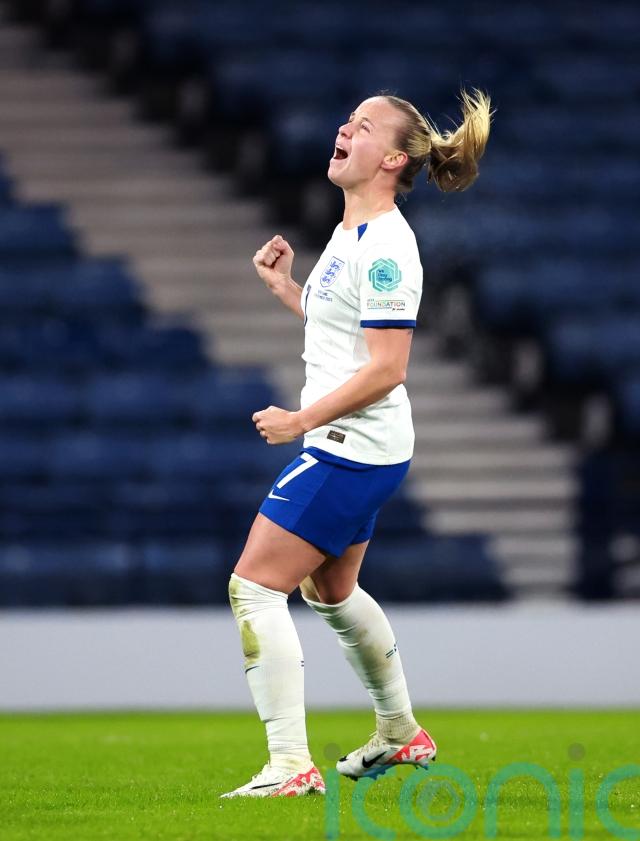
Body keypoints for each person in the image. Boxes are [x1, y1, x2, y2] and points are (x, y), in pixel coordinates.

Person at [221, 88, 492, 798]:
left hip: (349, 445)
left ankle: (289, 764)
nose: (344, 127)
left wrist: (299, 421)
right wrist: (287, 289)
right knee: (332, 591)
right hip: (365, 444)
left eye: (363, 126)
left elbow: (388, 367)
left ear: (393, 159)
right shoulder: (351, 232)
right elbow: (342, 328)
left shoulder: (387, 248)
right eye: (348, 119)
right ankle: (400, 731)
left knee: (254, 587)